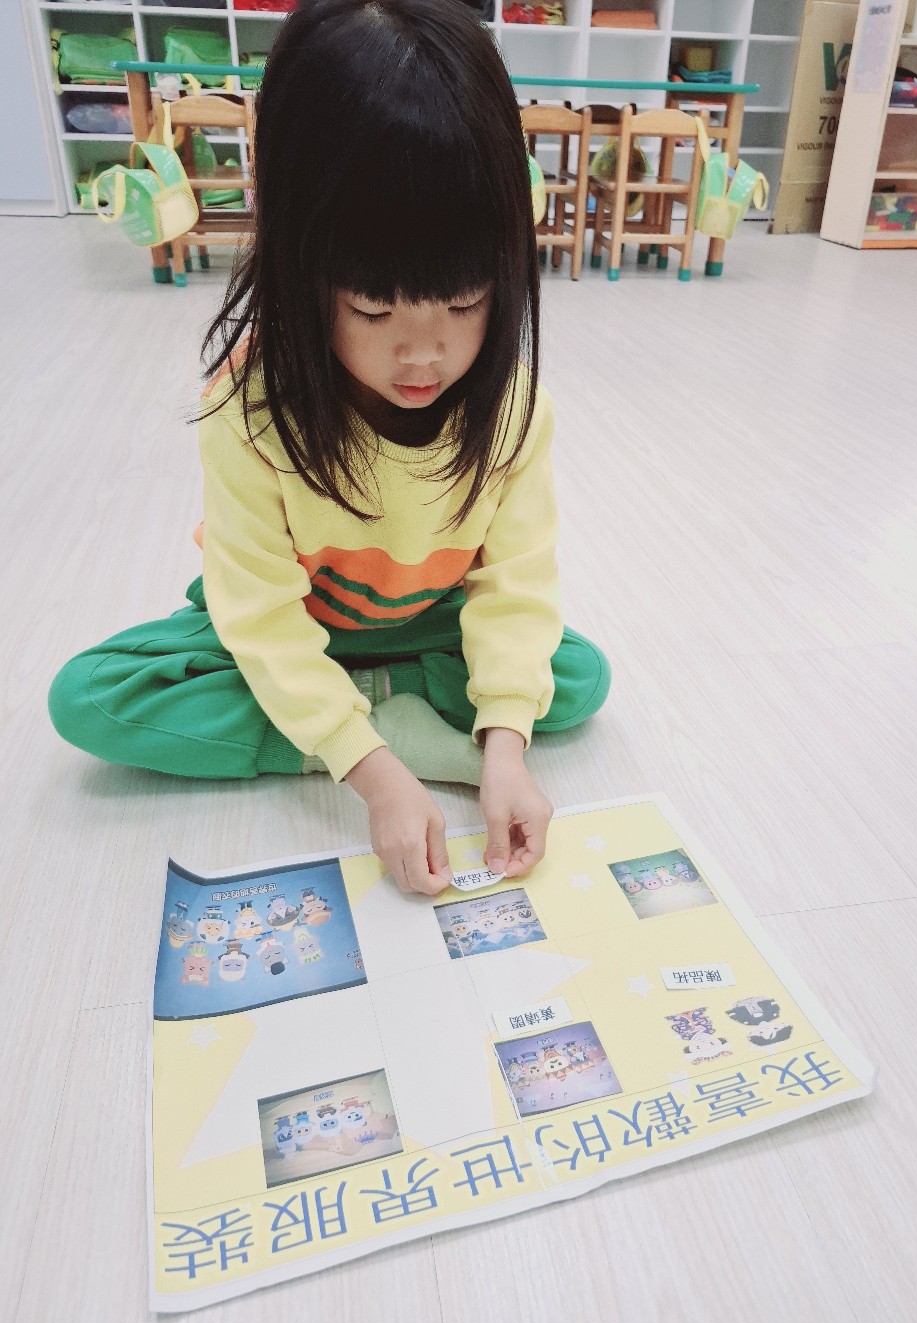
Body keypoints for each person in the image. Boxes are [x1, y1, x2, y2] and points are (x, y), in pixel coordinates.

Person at [48, 0, 610, 895]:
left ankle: (365, 712)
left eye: (465, 302)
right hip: (294, 617)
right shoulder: (249, 409)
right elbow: (260, 616)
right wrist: (373, 772)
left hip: (427, 616)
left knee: (574, 678)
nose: (423, 354)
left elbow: (516, 583)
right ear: (300, 268)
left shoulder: (513, 406)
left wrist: (506, 747)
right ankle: (373, 728)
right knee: (92, 698)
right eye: (374, 309)